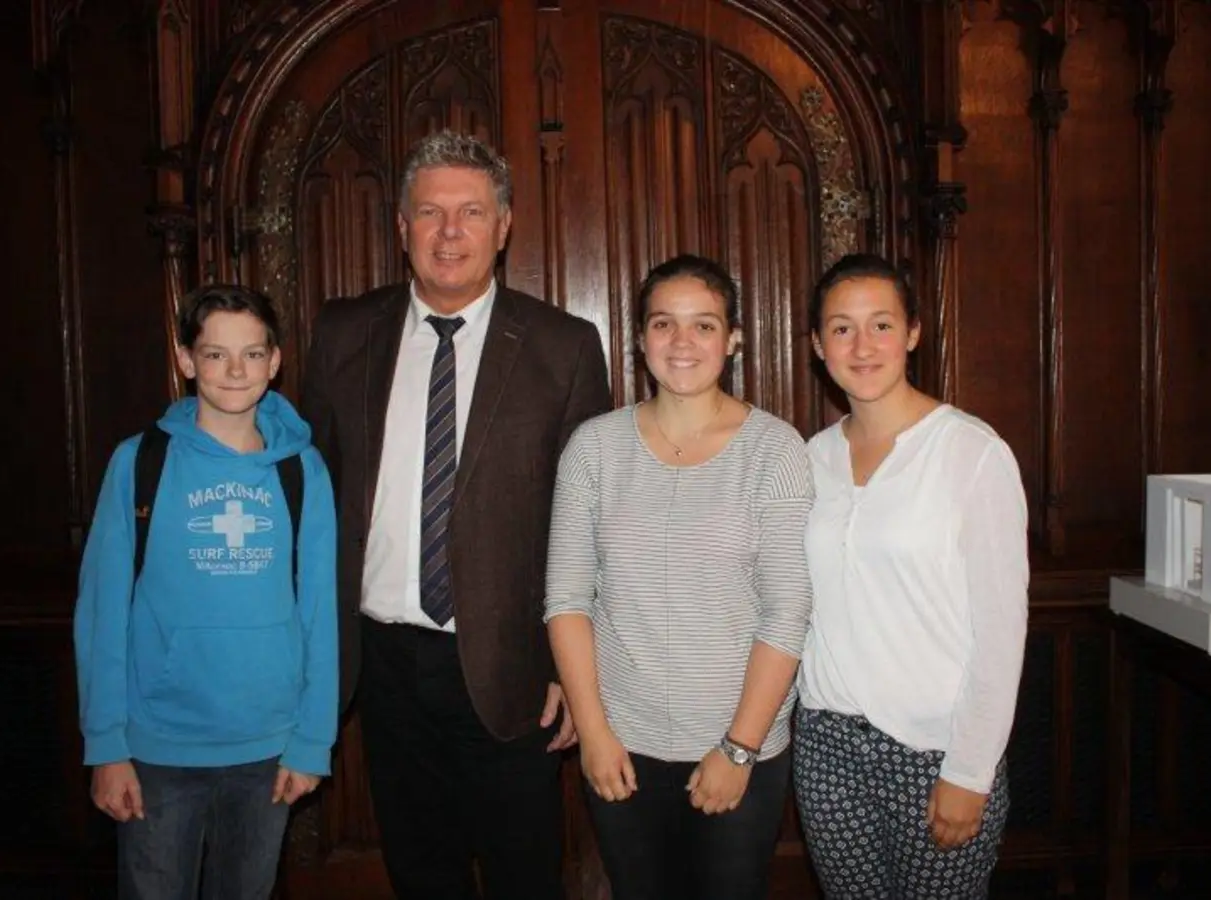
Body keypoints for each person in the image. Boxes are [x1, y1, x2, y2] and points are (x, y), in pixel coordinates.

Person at [300, 130, 613, 900]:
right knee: (420, 870)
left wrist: (574, 671)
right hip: (382, 666)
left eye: (471, 211)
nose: (450, 232)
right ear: (400, 226)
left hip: (512, 669)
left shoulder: (562, 347)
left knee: (522, 875)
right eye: (430, 212)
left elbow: (589, 524)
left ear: (503, 226)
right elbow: (310, 489)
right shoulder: (344, 334)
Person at [544, 254, 814, 900]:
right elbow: (567, 599)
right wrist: (596, 733)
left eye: (704, 325)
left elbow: (787, 611)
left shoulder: (774, 450)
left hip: (738, 746)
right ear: (641, 340)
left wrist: (739, 748)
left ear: (733, 340)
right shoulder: (595, 447)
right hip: (622, 746)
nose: (683, 343)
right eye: (664, 324)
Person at [72, 284, 339, 900]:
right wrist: (106, 745)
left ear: (275, 362)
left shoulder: (302, 471)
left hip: (268, 748)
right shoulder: (140, 463)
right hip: (158, 748)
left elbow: (320, 612)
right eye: (216, 355)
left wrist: (312, 741)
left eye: (252, 354)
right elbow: (102, 612)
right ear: (187, 360)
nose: (235, 371)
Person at [793, 253, 1029, 899]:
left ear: (914, 332)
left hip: (935, 751)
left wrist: (971, 771)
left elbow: (1002, 631)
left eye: (881, 325)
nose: (862, 346)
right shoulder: (810, 459)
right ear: (817, 344)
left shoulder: (971, 453)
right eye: (841, 328)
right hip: (827, 745)